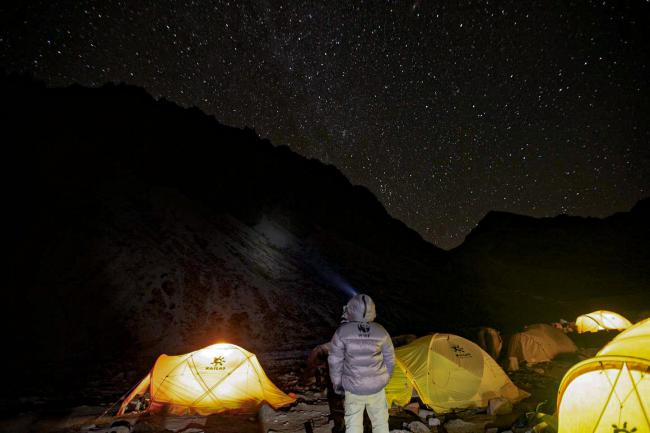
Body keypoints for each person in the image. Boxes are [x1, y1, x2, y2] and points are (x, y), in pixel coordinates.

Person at [328, 294, 395, 433]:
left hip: (353, 389)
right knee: (381, 423)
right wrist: (384, 378)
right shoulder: (381, 331)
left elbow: (334, 361)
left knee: (353, 425)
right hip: (377, 389)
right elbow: (390, 358)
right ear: (372, 310)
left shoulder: (342, 332)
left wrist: (338, 384)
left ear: (351, 309)